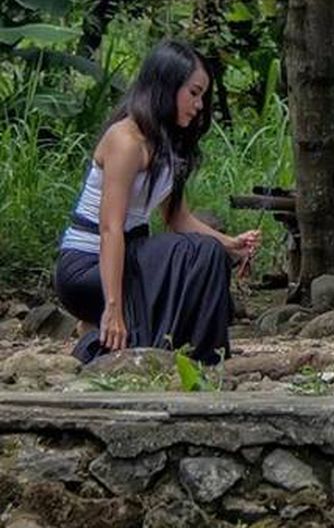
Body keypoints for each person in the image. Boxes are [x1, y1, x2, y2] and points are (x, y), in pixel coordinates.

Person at [54, 39, 260, 364]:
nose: (200, 105)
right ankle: (119, 343)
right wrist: (113, 308)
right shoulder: (126, 141)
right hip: (89, 270)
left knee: (210, 253)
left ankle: (195, 356)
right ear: (166, 86)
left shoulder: (164, 142)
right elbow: (110, 229)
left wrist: (230, 244)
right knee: (197, 252)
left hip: (131, 260)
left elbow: (177, 219)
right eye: (193, 93)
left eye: (203, 96)